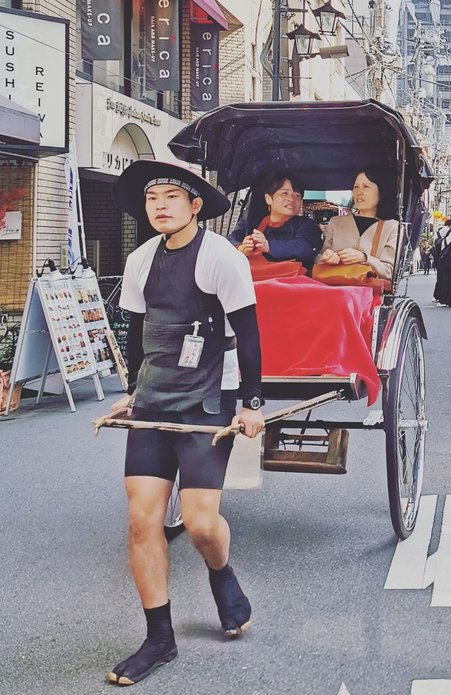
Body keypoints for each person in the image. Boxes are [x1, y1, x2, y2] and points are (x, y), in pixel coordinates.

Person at [108, 161, 266, 686]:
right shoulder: (138, 260)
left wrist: (251, 403)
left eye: (172, 196)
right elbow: (136, 335)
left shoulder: (220, 256)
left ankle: (221, 575)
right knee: (141, 520)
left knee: (200, 525)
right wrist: (132, 395)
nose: (160, 205)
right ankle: (159, 638)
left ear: (195, 205)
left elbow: (247, 332)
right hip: (154, 402)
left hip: (207, 399)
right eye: (154, 198)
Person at [229, 170, 322, 270]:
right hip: (253, 278)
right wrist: (241, 248)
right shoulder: (249, 223)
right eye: (284, 193)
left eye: (297, 196)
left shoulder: (306, 225)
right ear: (268, 198)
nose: (291, 199)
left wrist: (269, 246)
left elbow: (305, 248)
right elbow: (230, 240)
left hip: (291, 280)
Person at [316, 169, 399, 280]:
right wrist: (326, 258)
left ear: (381, 192)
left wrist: (364, 258)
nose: (359, 192)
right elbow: (319, 259)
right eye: (356, 187)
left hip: (370, 293)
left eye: (366, 186)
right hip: (335, 287)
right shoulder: (336, 222)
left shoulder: (392, 227)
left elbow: (389, 271)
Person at [432, 219, 451, 303]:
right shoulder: (450, 232)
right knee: (446, 278)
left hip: (438, 257)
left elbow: (434, 244)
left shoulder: (438, 231)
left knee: (439, 278)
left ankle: (436, 296)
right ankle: (445, 296)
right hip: (446, 257)